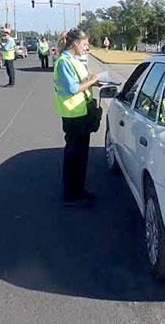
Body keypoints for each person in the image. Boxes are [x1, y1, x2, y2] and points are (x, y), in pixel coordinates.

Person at [53, 29, 99, 208]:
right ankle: (70, 195)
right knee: (74, 157)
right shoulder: (64, 62)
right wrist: (93, 80)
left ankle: (79, 190)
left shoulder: (74, 61)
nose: (86, 47)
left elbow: (83, 80)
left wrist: (94, 81)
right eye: (84, 44)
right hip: (73, 115)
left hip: (82, 112)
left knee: (81, 156)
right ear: (75, 43)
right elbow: (73, 88)